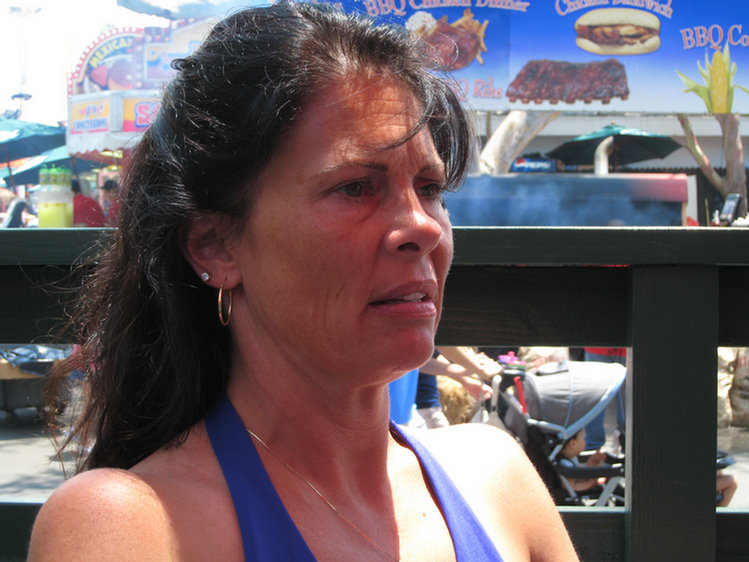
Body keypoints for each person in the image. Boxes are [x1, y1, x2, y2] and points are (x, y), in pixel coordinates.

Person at [28, 4, 579, 562]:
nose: (422, 226)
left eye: (430, 187)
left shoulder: (494, 478)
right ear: (216, 247)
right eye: (358, 187)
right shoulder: (129, 525)